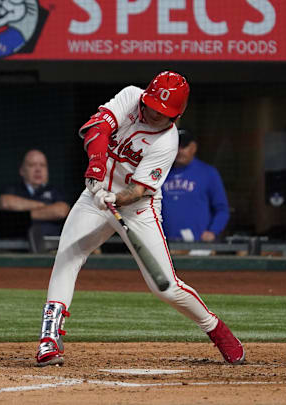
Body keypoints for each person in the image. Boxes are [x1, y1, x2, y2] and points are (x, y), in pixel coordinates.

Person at [34, 71, 245, 367]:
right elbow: (96, 129)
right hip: (94, 196)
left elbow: (141, 189)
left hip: (137, 207)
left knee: (165, 287)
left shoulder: (167, 142)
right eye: (152, 107)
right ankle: (49, 338)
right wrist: (96, 172)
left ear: (175, 115)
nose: (154, 114)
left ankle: (216, 329)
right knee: (68, 256)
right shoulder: (132, 96)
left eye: (163, 113)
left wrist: (115, 199)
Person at [161, 129, 230, 242]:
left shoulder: (208, 173)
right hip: (165, 244)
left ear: (194, 147)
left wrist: (213, 231)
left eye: (184, 146)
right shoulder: (161, 173)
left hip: (198, 245)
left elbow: (222, 209)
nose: (179, 151)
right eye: (176, 146)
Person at [0, 149, 70, 237]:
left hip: (51, 246)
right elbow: (5, 203)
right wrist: (48, 207)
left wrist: (19, 217)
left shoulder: (56, 191)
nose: (38, 169)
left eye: (42, 165)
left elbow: (61, 211)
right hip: (18, 245)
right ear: (22, 171)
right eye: (32, 165)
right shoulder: (12, 189)